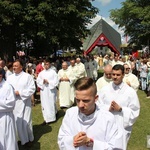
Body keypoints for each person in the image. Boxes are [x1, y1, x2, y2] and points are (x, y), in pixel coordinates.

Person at [58, 77, 123, 150]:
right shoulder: (70, 114)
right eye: (78, 100)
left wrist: (91, 143)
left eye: (85, 101)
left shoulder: (107, 119)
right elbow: (61, 139)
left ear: (96, 98)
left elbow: (116, 147)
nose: (80, 105)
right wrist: (73, 140)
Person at [97, 64, 140, 150]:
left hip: (122, 126)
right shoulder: (104, 90)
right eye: (113, 74)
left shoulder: (130, 92)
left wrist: (121, 109)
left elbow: (135, 110)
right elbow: (97, 105)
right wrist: (107, 108)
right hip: (106, 126)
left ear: (123, 75)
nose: (115, 77)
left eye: (118, 75)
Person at [7, 59, 35, 147]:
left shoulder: (27, 77)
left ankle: (29, 139)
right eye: (13, 66)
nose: (14, 67)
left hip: (24, 102)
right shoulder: (10, 77)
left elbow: (32, 89)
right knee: (16, 122)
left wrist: (20, 93)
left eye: (16, 66)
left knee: (26, 121)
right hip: (14, 103)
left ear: (21, 67)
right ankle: (20, 139)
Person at [0, 68, 18, 150]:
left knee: (7, 138)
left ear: (0, 76)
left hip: (5, 117)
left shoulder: (7, 87)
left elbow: (11, 104)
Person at [36, 58, 59, 125]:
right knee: (45, 104)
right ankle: (46, 118)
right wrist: (42, 82)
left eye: (47, 64)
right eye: (45, 64)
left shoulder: (53, 72)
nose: (46, 65)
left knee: (51, 103)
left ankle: (52, 117)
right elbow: (38, 81)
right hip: (44, 91)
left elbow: (56, 81)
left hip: (51, 90)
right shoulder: (41, 73)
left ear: (50, 64)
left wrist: (49, 82)